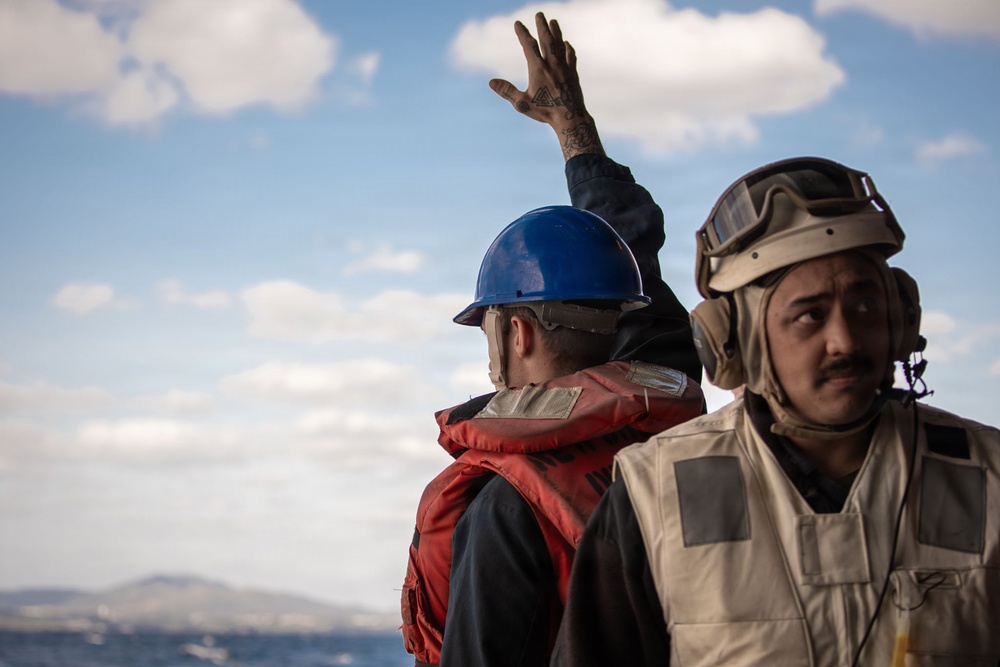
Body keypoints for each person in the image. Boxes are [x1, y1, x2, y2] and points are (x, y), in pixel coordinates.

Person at [551, 157, 1000, 665]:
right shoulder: (654, 494)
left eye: (866, 306)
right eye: (810, 314)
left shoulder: (989, 474)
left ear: (901, 317)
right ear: (737, 340)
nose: (844, 340)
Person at [399, 13, 705, 667]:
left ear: (516, 330)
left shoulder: (504, 508)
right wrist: (574, 127)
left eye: (486, 329)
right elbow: (631, 255)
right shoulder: (671, 413)